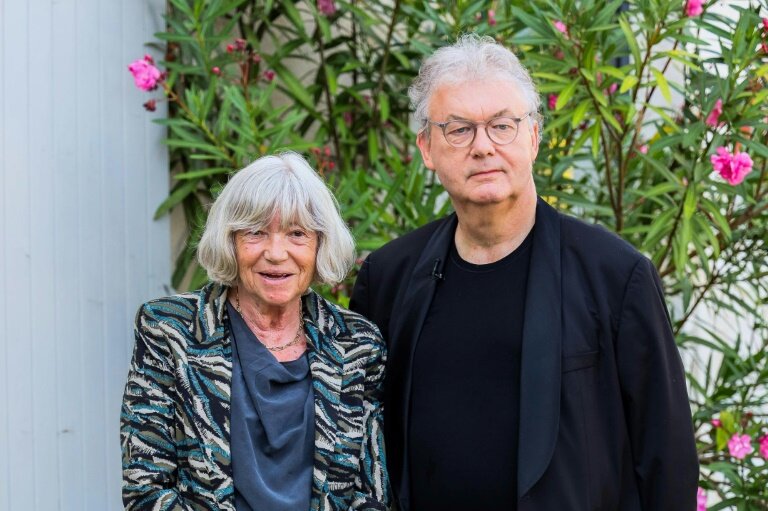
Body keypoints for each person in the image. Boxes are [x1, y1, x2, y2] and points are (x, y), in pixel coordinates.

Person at [350, 34, 698, 511]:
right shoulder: (388, 278)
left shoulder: (616, 277)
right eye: (458, 129)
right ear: (427, 148)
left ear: (533, 137)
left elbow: (667, 459)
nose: (482, 147)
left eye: (502, 126)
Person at [121, 152, 390, 511]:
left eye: (296, 233)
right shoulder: (171, 330)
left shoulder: (358, 343)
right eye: (256, 232)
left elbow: (370, 491)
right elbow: (146, 487)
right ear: (229, 241)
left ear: (319, 244)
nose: (276, 253)